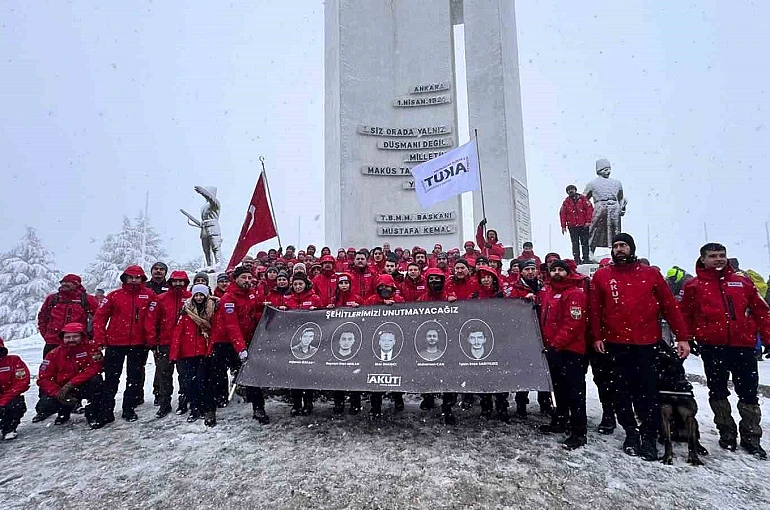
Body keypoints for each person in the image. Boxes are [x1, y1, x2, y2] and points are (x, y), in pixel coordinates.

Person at [590, 233, 690, 461]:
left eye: (623, 245)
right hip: (615, 345)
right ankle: (631, 433)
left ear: (631, 248)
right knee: (620, 393)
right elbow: (595, 310)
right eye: (615, 246)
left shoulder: (650, 274)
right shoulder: (603, 276)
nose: (619, 249)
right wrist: (597, 336)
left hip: (646, 344)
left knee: (647, 393)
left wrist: (682, 337)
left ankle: (648, 435)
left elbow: (669, 306)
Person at [680, 243, 770, 459]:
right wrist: (688, 338)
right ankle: (726, 432)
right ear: (703, 259)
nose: (718, 259)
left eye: (722, 255)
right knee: (718, 391)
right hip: (713, 347)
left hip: (744, 347)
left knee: (749, 393)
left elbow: (761, 311)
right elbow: (685, 315)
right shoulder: (694, 285)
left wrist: (768, 337)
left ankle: (751, 437)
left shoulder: (742, 282)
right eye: (713, 256)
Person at [93, 265, 156, 423]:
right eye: (131, 277)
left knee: (134, 378)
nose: (134, 280)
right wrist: (100, 339)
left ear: (142, 279)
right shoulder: (114, 296)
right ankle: (106, 411)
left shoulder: (149, 295)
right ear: (125, 278)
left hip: (138, 343)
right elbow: (100, 318)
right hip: (116, 343)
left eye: (137, 277)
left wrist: (151, 340)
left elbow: (153, 319)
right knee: (111, 378)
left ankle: (129, 408)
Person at [538, 260, 589, 449]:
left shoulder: (575, 293)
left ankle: (578, 431)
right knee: (559, 389)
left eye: (560, 270)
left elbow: (573, 324)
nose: (557, 273)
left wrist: (556, 345)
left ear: (568, 272)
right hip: (554, 350)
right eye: (554, 270)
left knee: (575, 392)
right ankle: (561, 420)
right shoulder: (550, 293)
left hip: (571, 351)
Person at [208, 266, 265, 423]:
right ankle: (209, 409)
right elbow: (232, 326)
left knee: (251, 376)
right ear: (236, 279)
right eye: (243, 278)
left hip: (244, 340)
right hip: (224, 342)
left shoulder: (252, 294)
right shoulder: (228, 298)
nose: (247, 281)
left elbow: (255, 311)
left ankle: (259, 408)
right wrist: (241, 349)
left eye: (249, 278)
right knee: (216, 376)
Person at [34, 323, 107, 429]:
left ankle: (93, 414)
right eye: (67, 337)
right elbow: (44, 378)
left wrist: (71, 384)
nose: (71, 339)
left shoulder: (91, 349)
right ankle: (64, 411)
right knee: (45, 405)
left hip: (82, 385)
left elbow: (95, 368)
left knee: (96, 381)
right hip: (62, 389)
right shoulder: (53, 354)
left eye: (75, 336)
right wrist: (57, 392)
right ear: (62, 338)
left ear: (82, 336)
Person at [508, 260, 553, 418]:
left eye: (533, 269)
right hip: (522, 335)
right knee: (523, 370)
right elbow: (509, 308)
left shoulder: (544, 287)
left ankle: (545, 402)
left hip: (542, 334)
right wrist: (523, 302)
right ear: (521, 272)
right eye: (527, 269)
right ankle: (521, 403)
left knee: (543, 369)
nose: (530, 272)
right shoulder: (514, 288)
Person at [144, 270, 191, 418]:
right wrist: (152, 341)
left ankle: (184, 401)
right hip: (165, 343)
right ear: (170, 282)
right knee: (164, 374)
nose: (178, 284)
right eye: (175, 281)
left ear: (185, 282)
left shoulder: (191, 298)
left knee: (184, 375)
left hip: (185, 343)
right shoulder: (160, 299)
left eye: (181, 281)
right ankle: (164, 403)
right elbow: (151, 321)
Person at [171, 284, 218, 426]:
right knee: (190, 382)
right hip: (188, 352)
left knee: (202, 382)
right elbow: (177, 334)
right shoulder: (186, 312)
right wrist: (174, 353)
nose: (198, 297)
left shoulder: (212, 310)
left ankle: (205, 407)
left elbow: (214, 332)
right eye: (196, 295)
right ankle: (194, 408)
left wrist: (211, 349)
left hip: (204, 351)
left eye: (201, 295)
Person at [286, 274, 322, 416]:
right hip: (294, 342)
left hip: (310, 342)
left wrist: (316, 312)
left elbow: (324, 317)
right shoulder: (288, 300)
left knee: (307, 374)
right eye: (295, 284)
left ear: (305, 284)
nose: (298, 287)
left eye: (300, 284)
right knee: (294, 374)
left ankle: (308, 403)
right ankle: (296, 403)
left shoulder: (314, 298)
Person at [37, 273, 98, 358]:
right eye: (63, 282)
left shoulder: (87, 299)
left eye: (68, 282)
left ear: (76, 284)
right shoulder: (52, 299)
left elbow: (98, 318)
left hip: (78, 342)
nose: (64, 284)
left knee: (78, 369)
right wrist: (47, 335)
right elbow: (42, 318)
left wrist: (91, 337)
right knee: (50, 368)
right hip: (53, 342)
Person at [0, 336, 30, 440]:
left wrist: (3, 401)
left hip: (9, 397)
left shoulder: (13, 360)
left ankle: (8, 428)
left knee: (16, 404)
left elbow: (22, 381)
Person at [560, 185, 594, 264]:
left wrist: (588, 221)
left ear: (575, 190)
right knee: (575, 243)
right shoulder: (566, 202)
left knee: (585, 243)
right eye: (568, 190)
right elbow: (562, 214)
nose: (570, 191)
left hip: (583, 225)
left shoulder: (583, 199)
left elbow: (590, 209)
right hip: (572, 226)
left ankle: (586, 258)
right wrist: (563, 226)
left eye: (572, 189)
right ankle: (577, 259)